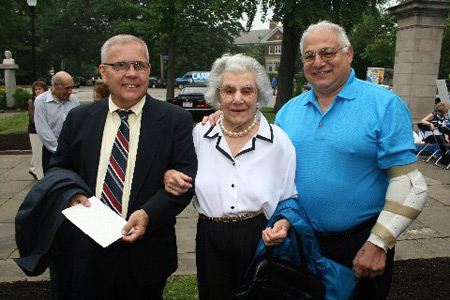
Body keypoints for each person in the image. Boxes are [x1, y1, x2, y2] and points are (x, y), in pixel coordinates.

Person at [202, 21, 428, 300]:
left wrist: (379, 243)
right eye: (310, 56)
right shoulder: (288, 112)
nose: (318, 62)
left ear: (350, 54)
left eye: (327, 53)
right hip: (298, 244)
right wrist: (218, 117)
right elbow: (258, 151)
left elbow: (410, 184)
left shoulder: (384, 104)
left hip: (360, 246)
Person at [17, 34, 198, 300]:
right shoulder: (79, 118)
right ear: (103, 71)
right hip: (83, 251)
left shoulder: (175, 120)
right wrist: (71, 196)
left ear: (149, 70)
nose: (132, 74)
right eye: (121, 65)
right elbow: (57, 169)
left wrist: (148, 214)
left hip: (144, 256)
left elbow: (185, 181)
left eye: (139, 65)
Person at [164, 53, 297, 300]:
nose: (238, 99)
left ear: (259, 95)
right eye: (228, 90)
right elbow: (177, 169)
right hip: (209, 237)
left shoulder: (279, 141)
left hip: (259, 236)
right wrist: (169, 173)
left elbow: (290, 198)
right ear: (217, 95)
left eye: (247, 91)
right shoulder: (200, 135)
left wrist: (284, 223)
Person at [34, 71, 80, 173]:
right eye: (67, 88)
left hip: (73, 151)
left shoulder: (73, 99)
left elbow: (79, 124)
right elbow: (43, 131)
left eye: (72, 87)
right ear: (55, 86)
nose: (70, 91)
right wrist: (60, 151)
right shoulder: (41, 101)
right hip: (52, 153)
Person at [27, 80, 48, 180]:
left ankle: (33, 169)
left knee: (40, 152)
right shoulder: (32, 101)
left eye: (40, 89)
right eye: (36, 89)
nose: (38, 91)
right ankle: (40, 176)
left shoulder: (46, 100)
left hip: (44, 128)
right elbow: (33, 119)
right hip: (35, 130)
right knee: (38, 152)